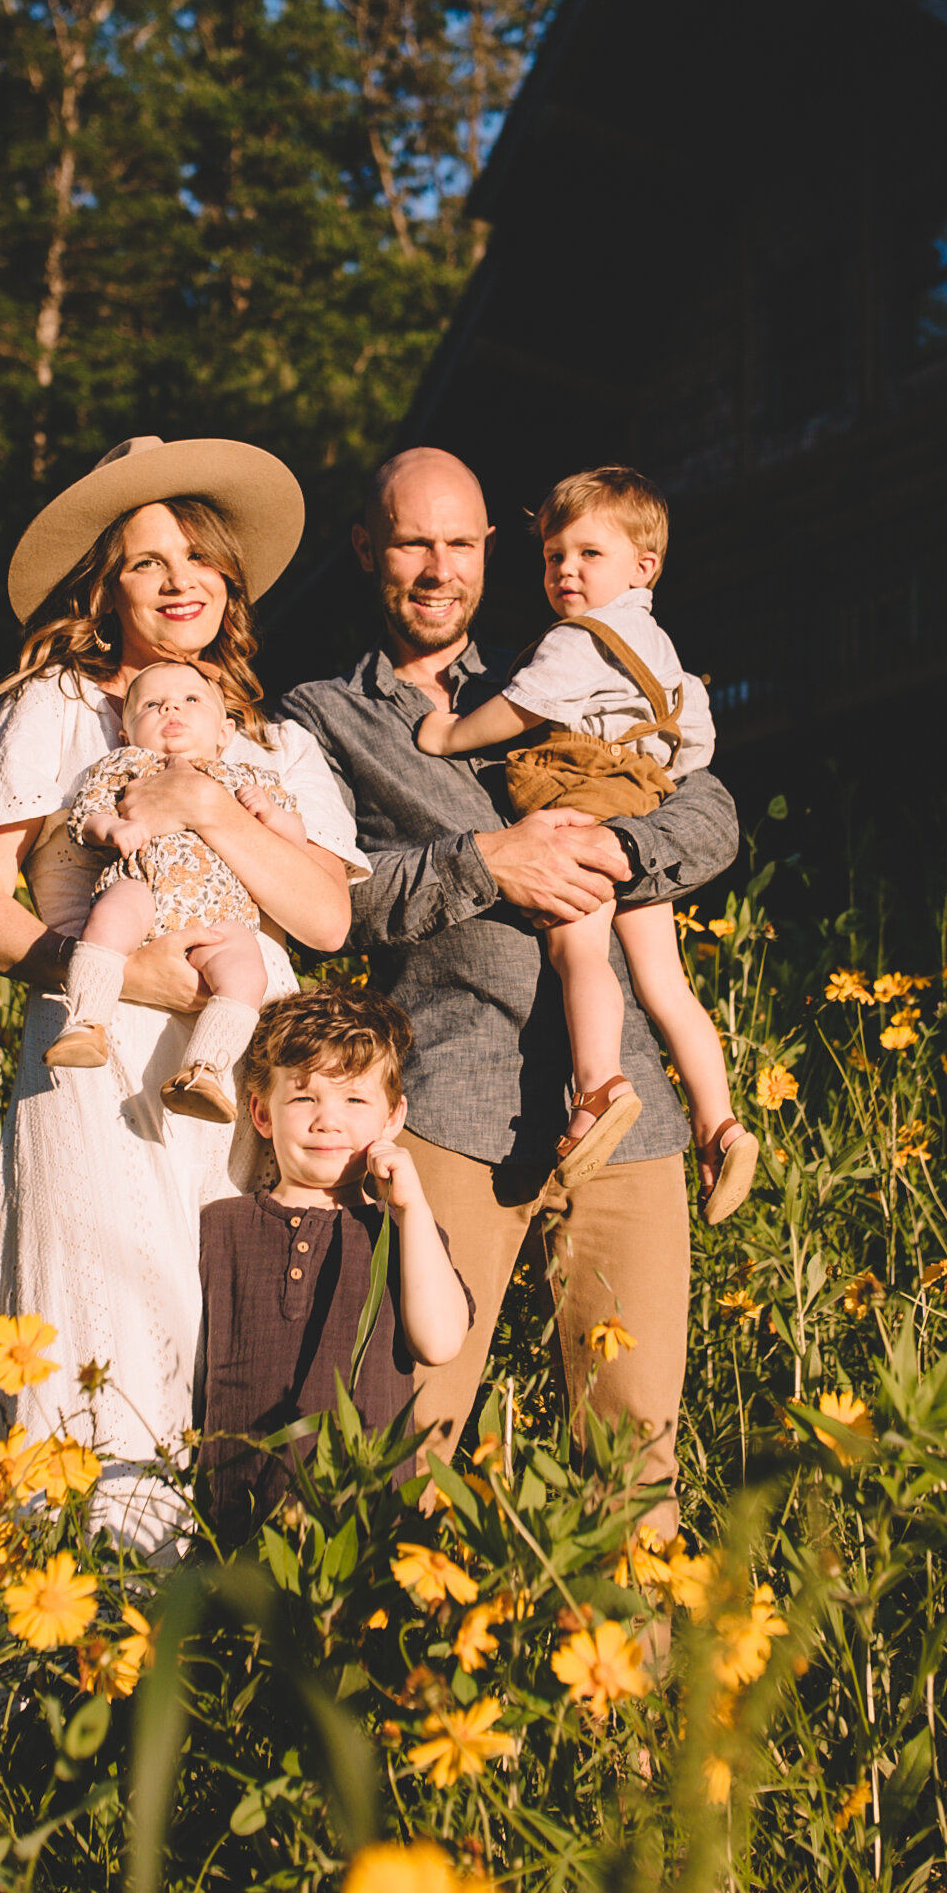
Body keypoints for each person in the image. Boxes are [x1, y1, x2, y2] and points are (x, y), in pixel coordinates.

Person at [279, 446, 740, 1536]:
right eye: (410, 543)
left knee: (634, 1463)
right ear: (366, 551)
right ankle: (382, 1691)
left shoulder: (572, 653)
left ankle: (613, 1708)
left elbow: (712, 813)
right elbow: (330, 896)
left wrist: (608, 848)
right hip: (451, 1108)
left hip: (626, 1113)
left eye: (460, 542)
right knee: (404, 1434)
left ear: (490, 549)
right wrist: (491, 861)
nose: (438, 568)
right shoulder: (322, 719)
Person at [0, 434, 365, 1554]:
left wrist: (210, 804)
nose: (181, 582)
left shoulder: (278, 742)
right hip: (101, 1057)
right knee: (97, 1318)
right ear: (103, 590)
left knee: (231, 1332)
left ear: (232, 581)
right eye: (147, 562)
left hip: (242, 1066)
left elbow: (324, 920)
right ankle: (62, 1641)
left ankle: (211, 1653)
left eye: (200, 558)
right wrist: (118, 973)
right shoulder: (60, 711)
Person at [416, 464, 757, 1220]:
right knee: (665, 983)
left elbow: (518, 706)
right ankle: (719, 1121)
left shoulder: (578, 642)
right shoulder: (663, 652)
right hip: (641, 802)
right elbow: (692, 743)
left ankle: (599, 1085)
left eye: (586, 554)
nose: (564, 570)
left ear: (644, 565)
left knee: (578, 949)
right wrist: (649, 790)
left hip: (583, 798)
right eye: (551, 556)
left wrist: (448, 733)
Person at [195, 985, 472, 1545]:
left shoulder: (401, 1234)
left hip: (362, 1529)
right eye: (303, 1100)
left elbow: (440, 1344)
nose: (327, 1121)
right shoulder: (219, 1226)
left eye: (354, 1101)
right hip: (231, 1527)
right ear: (261, 1114)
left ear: (393, 1118)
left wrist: (412, 1207)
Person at [48, 658, 305, 1123]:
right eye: (150, 704)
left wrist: (271, 815)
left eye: (190, 699)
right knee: (110, 917)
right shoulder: (124, 765)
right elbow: (83, 816)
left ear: (225, 732)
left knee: (247, 973)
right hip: (143, 882)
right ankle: (85, 1021)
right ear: (125, 733)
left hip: (221, 912)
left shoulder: (251, 779)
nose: (171, 707)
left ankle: (205, 1069)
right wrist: (109, 828)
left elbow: (296, 844)